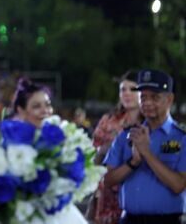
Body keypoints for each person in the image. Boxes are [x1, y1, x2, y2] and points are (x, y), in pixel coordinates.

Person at [104, 69, 186, 224]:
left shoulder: (182, 138)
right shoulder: (126, 136)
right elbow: (107, 180)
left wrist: (146, 153)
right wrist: (133, 162)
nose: (147, 103)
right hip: (129, 219)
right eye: (143, 97)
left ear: (169, 99)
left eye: (154, 97)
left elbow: (178, 185)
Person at [12, 76, 88, 224]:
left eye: (47, 105)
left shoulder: (60, 138)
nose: (45, 111)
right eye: (36, 106)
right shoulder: (11, 144)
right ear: (20, 110)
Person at [89, 70, 141, 224]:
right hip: (107, 195)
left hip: (137, 195)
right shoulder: (108, 121)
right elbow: (92, 157)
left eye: (133, 89)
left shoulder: (150, 123)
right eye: (122, 89)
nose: (126, 93)